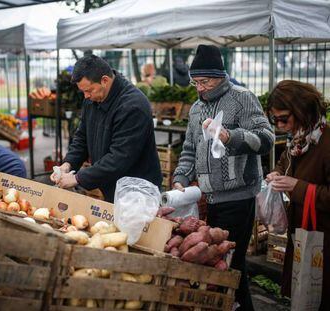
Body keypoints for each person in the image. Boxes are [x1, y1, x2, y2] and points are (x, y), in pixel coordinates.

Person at [172, 45, 274, 310]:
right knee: (224, 266)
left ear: (220, 76)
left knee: (230, 265)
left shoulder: (242, 98)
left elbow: (266, 139)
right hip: (210, 197)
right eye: (195, 82)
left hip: (239, 196)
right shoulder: (196, 109)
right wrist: (181, 177)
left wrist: (231, 136)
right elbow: (190, 148)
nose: (199, 88)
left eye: (204, 81)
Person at [50, 55, 162, 202]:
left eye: (89, 90)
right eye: (83, 91)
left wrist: (78, 178)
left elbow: (119, 157)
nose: (86, 96)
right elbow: (82, 138)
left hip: (138, 190)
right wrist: (68, 164)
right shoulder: (92, 99)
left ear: (104, 80)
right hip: (112, 186)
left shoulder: (133, 106)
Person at [265, 80, 330, 310]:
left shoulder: (326, 141)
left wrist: (296, 186)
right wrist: (277, 174)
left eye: (284, 118)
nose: (280, 125)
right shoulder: (299, 139)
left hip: (323, 236)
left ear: (302, 110)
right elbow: (285, 162)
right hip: (302, 230)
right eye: (275, 120)